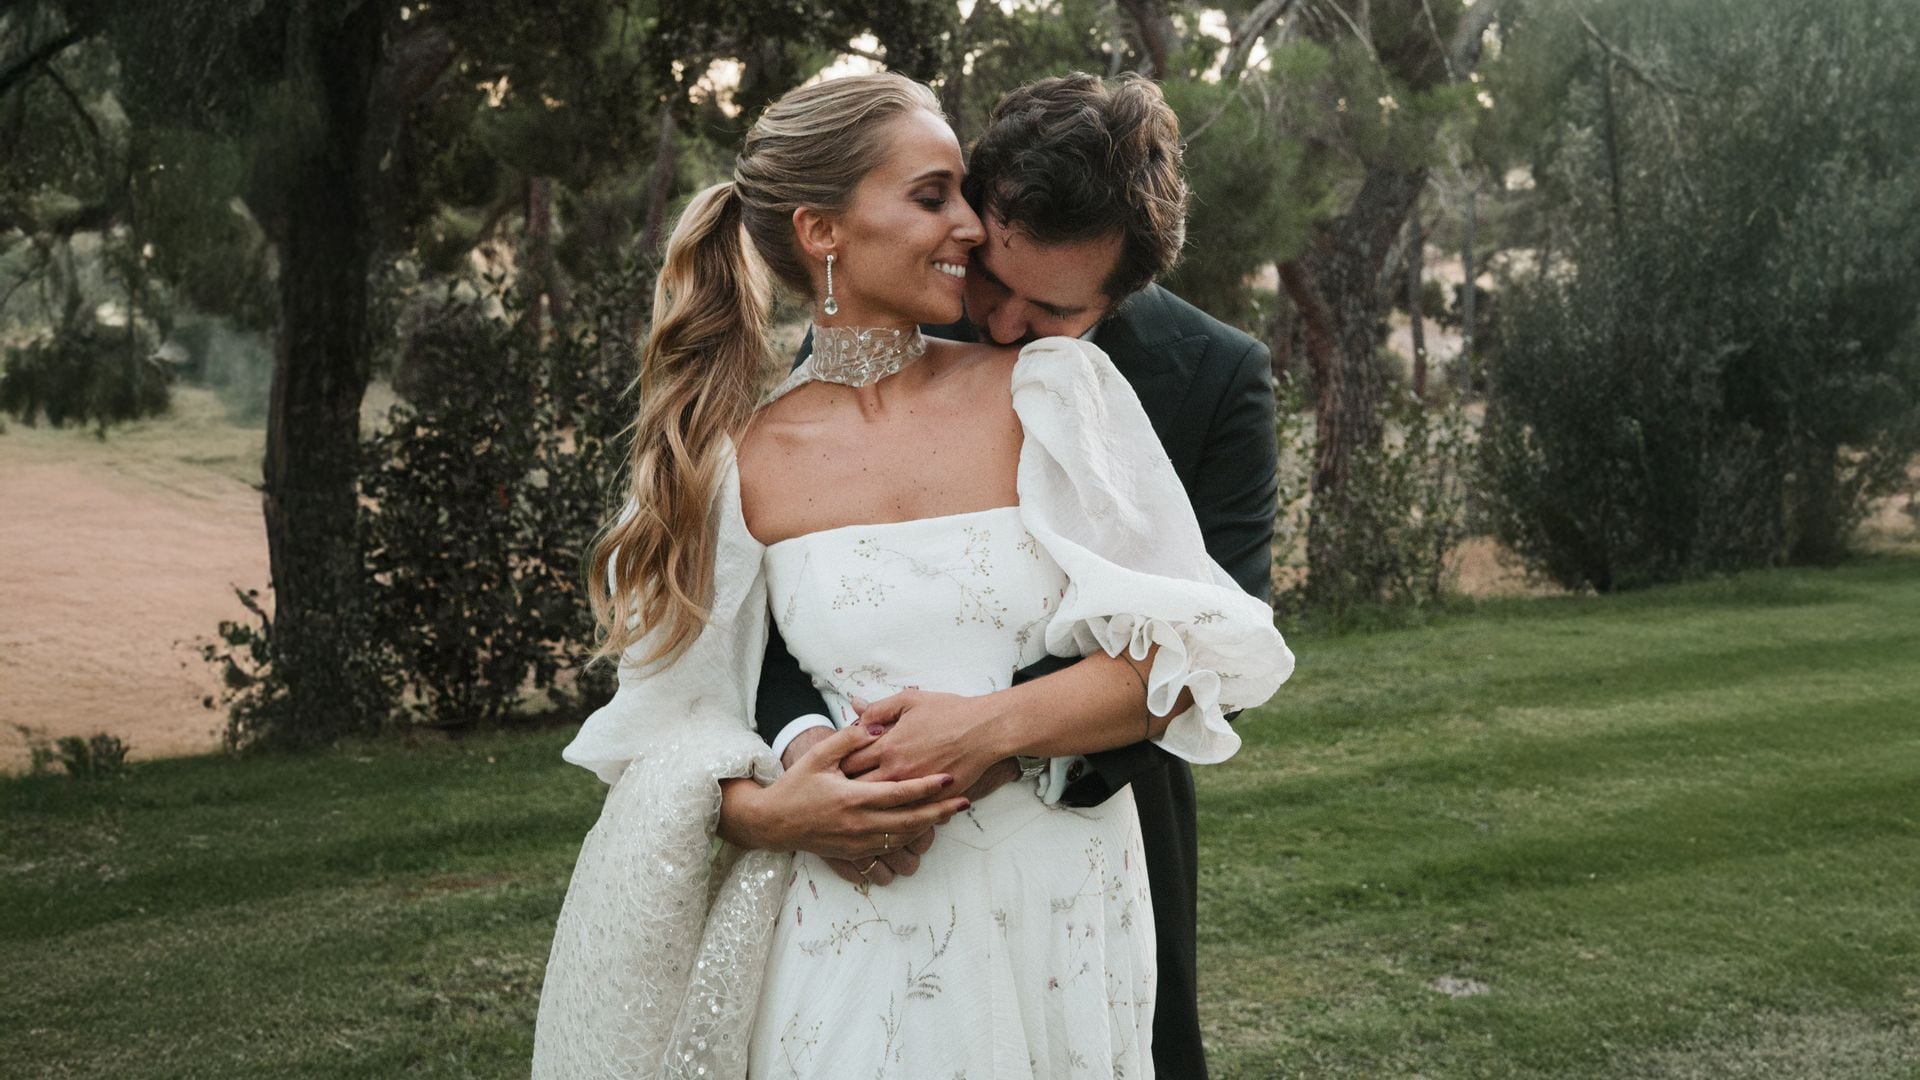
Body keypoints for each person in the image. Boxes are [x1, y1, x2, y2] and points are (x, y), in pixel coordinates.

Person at [532, 72, 1292, 1080]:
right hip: (856, 908)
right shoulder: (749, 452)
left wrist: (981, 738)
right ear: (825, 234)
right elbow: (718, 680)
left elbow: (1206, 643)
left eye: (1048, 306)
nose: (999, 312)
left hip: (1078, 856)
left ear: (1117, 295)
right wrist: (784, 796)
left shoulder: (1074, 388)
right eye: (942, 202)